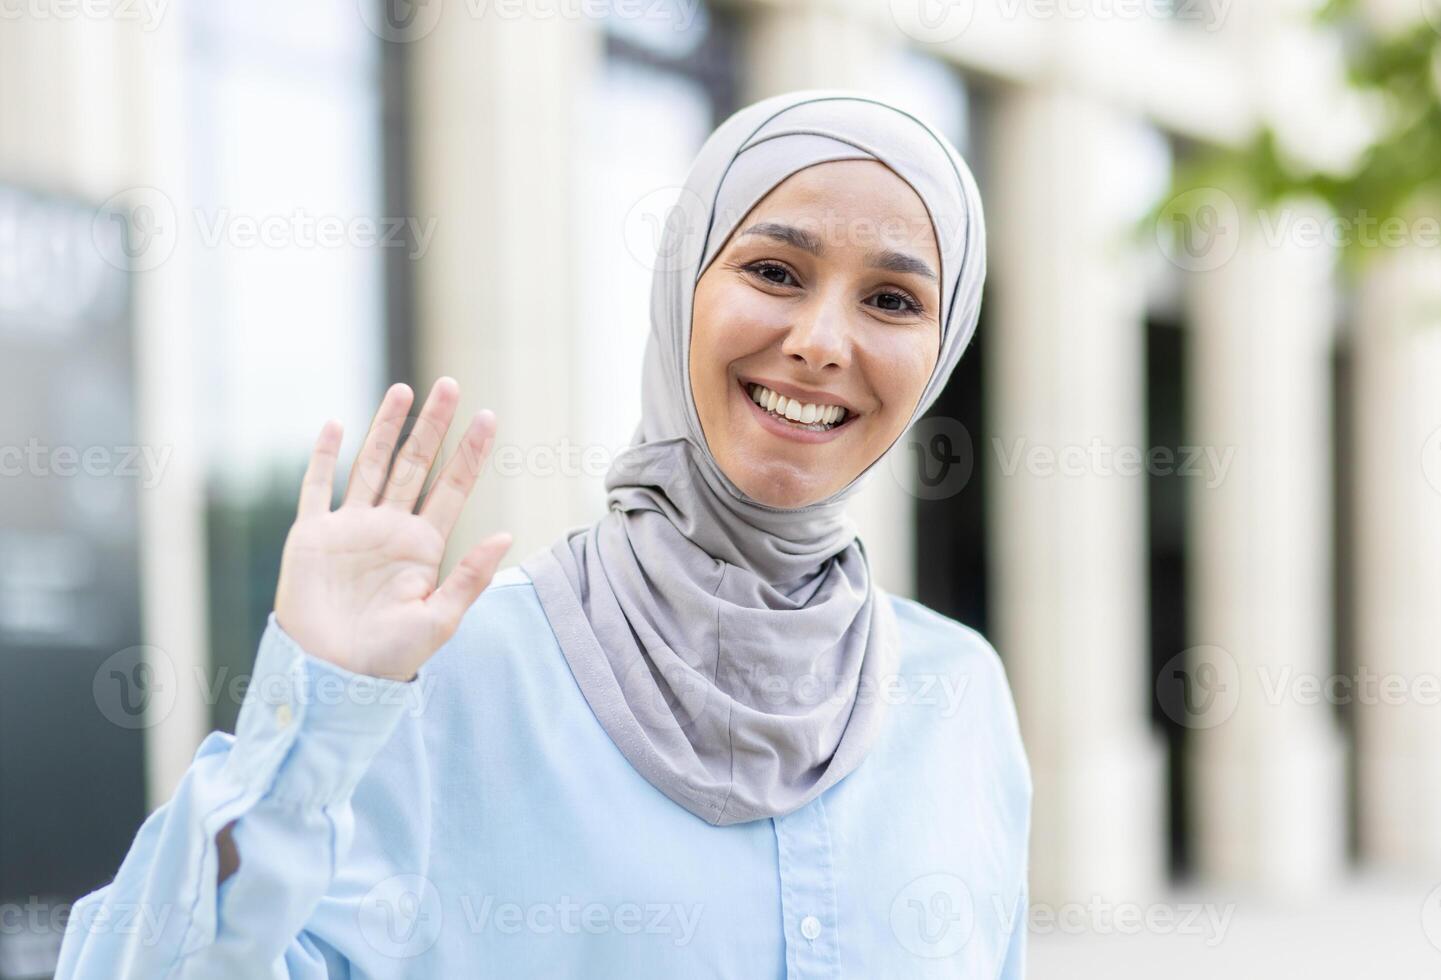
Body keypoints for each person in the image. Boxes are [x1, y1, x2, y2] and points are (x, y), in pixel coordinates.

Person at [56, 89, 1030, 979]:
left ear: (939, 351)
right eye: (775, 270)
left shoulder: (959, 694)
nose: (822, 339)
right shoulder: (450, 674)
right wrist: (307, 709)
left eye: (893, 299)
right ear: (681, 289)